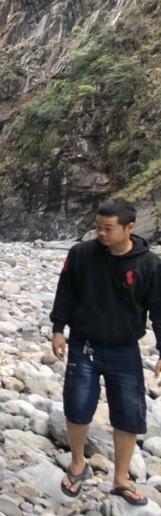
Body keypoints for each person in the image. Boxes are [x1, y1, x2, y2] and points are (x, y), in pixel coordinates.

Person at [51, 198, 161, 505]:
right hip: (84, 343)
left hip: (125, 349)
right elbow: (66, 291)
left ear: (130, 228)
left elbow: (158, 310)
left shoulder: (148, 264)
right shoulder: (82, 254)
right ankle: (77, 465)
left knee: (128, 413)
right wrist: (58, 328)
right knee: (77, 405)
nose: (101, 233)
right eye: (98, 226)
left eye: (108, 228)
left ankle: (121, 478)